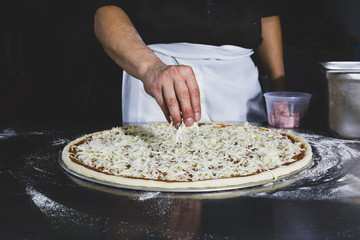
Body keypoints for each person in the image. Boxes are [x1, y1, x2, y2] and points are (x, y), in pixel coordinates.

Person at [93, 0, 285, 128]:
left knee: (250, 173)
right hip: (157, 71)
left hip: (239, 80)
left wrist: (280, 89)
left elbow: (266, 14)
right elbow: (105, 11)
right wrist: (151, 68)